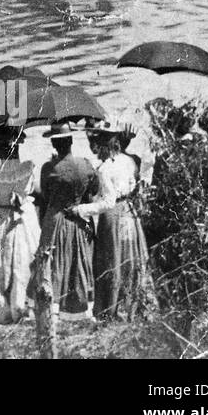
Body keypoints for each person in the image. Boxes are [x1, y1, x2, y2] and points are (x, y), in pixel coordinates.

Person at [69, 123, 153, 321]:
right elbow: (135, 183)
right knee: (132, 257)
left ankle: (112, 306)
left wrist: (81, 210)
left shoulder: (105, 169)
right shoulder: (130, 161)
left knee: (112, 260)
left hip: (113, 218)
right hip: (130, 214)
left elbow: (108, 202)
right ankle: (135, 304)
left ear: (103, 145)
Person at [37, 122, 97, 315]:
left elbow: (45, 195)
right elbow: (94, 190)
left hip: (55, 218)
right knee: (78, 259)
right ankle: (81, 305)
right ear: (71, 141)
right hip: (77, 217)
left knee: (54, 261)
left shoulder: (49, 168)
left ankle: (53, 305)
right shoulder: (85, 164)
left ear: (54, 144)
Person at [0, 126, 40, 323]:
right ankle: (19, 306)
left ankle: (1, 309)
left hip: (1, 218)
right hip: (22, 218)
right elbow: (33, 192)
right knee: (21, 264)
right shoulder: (27, 169)